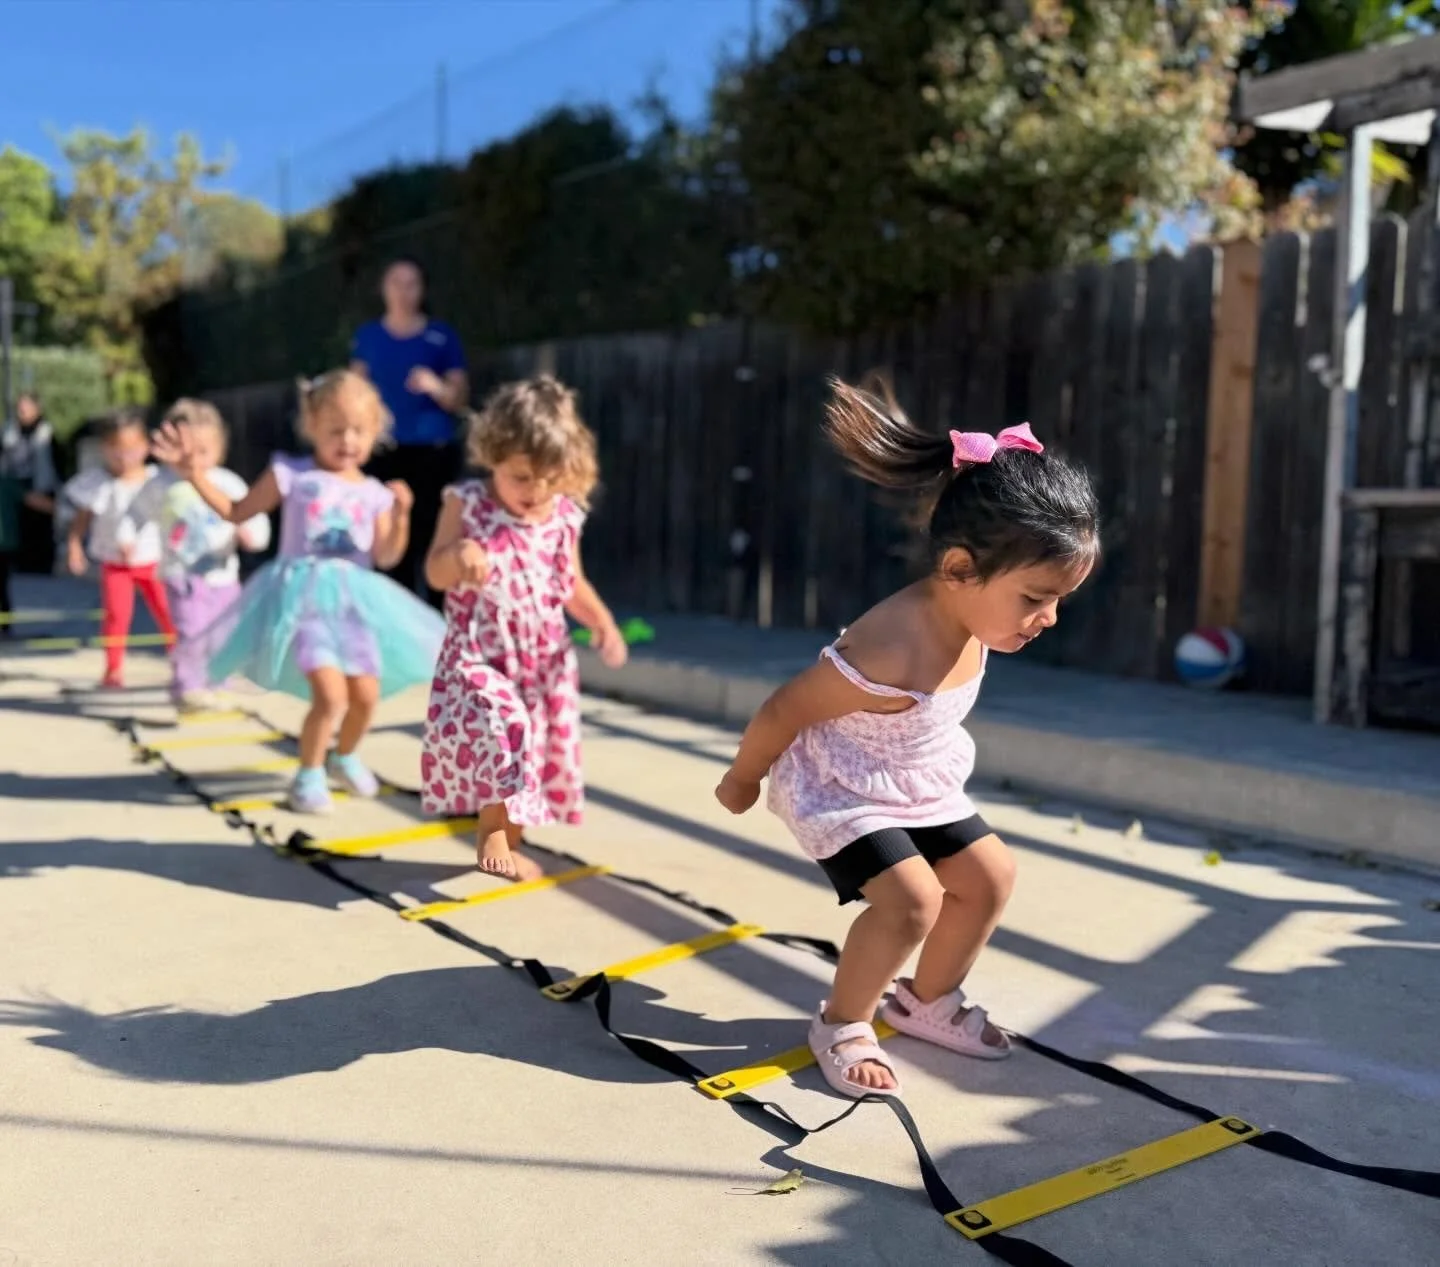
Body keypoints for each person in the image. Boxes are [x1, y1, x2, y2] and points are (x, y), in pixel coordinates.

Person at [714, 377, 1100, 1099]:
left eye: (1058, 601)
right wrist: (743, 777)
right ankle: (842, 1021)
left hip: (914, 776)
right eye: (1035, 598)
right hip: (843, 783)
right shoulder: (889, 649)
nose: (1047, 618)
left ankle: (925, 999)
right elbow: (783, 709)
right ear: (959, 569)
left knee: (989, 878)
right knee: (911, 901)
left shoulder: (974, 615)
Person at [151, 370, 445, 814]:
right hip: (303, 601)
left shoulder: (373, 493)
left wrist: (401, 516)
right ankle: (307, 776)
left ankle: (343, 756)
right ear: (311, 425)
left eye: (359, 432)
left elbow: (386, 556)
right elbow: (236, 510)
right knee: (331, 695)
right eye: (335, 430)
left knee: (365, 696)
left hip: (355, 605)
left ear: (375, 433)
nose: (347, 440)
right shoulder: (292, 473)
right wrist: (195, 476)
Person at [421, 376, 627, 880]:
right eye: (521, 476)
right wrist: (458, 555)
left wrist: (602, 623)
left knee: (528, 751)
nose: (534, 490)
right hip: (479, 655)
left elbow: (571, 582)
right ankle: (490, 830)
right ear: (492, 456)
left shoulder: (561, 517)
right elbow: (433, 572)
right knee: (506, 726)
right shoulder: (466, 503)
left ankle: (510, 840)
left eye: (547, 478)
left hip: (541, 659)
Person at [132, 399, 271, 712]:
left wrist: (252, 536)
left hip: (224, 575)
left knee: (223, 634)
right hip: (182, 575)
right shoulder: (161, 484)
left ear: (220, 448)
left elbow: (252, 515)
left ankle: (217, 682)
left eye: (204, 451)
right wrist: (130, 542)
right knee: (192, 632)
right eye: (187, 452)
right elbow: (136, 513)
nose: (194, 460)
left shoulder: (227, 482)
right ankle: (188, 686)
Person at [351, 256, 469, 606]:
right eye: (396, 283)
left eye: (411, 283)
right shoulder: (367, 337)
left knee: (435, 534)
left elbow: (459, 397)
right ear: (383, 289)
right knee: (390, 538)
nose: (404, 291)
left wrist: (436, 386)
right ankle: (396, 622)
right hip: (384, 452)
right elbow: (353, 394)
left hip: (433, 452)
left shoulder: (441, 336)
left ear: (422, 289)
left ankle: (438, 625)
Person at [63, 411, 176, 689]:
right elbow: (82, 518)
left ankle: (181, 661)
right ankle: (113, 669)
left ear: (146, 447)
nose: (124, 457)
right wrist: (74, 545)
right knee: (116, 616)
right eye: (116, 450)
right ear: (105, 449)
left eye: (131, 449)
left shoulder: (157, 479)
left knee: (168, 612)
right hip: (115, 563)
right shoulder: (97, 482)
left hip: (154, 561)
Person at [0, 392, 60, 633]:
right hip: (18, 488)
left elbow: (38, 498)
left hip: (39, 488)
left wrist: (65, 511)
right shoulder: (9, 433)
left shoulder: (47, 433)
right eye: (20, 407)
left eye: (27, 407)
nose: (22, 411)